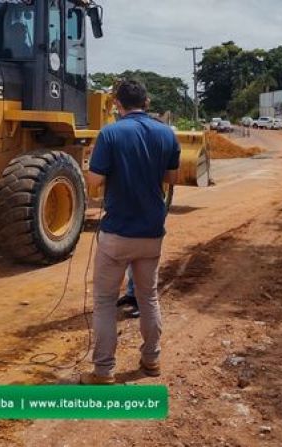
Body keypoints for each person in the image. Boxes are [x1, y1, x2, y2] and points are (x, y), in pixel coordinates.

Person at [81, 80, 180, 385]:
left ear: (117, 104)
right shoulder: (167, 133)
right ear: (146, 102)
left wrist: (90, 166)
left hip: (118, 233)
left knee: (105, 301)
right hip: (151, 232)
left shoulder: (110, 133)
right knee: (148, 297)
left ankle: (104, 370)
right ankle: (151, 361)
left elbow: (95, 182)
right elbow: (171, 177)